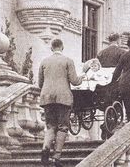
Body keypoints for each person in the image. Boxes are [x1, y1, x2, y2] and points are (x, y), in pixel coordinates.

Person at [38, 39, 85, 167]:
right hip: (63, 98)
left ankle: (45, 149)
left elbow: (40, 84)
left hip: (47, 98)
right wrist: (83, 76)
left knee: (50, 126)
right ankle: (56, 157)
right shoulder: (68, 61)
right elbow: (75, 81)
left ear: (51, 48)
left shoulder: (44, 62)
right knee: (62, 127)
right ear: (62, 47)